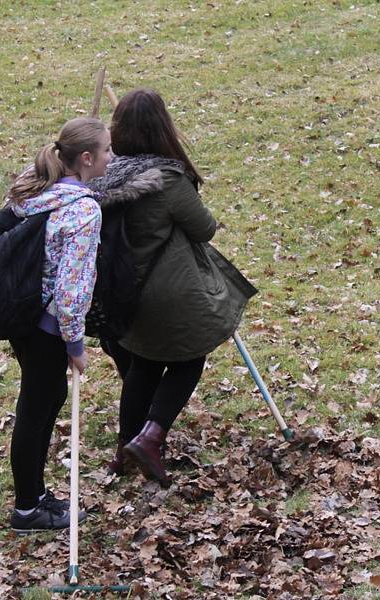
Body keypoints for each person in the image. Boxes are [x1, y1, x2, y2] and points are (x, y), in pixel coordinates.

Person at [90, 89, 256, 487]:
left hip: (120, 292)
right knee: (188, 358)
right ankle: (150, 437)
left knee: (144, 364)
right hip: (166, 292)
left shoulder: (100, 176)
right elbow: (205, 227)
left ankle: (125, 450)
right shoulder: (166, 178)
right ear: (163, 128)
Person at [6, 117, 112, 532]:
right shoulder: (84, 211)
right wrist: (75, 345)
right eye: (105, 150)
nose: (111, 156)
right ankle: (29, 509)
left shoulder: (33, 186)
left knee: (36, 402)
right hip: (48, 325)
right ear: (85, 158)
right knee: (38, 407)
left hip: (22, 312)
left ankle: (33, 496)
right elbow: (72, 292)